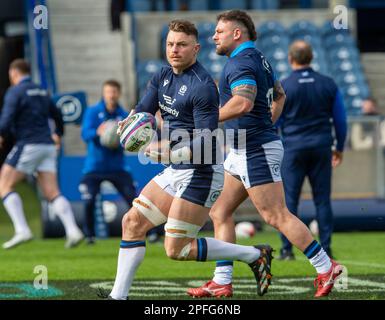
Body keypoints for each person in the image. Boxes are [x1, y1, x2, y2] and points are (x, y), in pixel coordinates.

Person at [104, 19, 273, 300]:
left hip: (202, 171)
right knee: (132, 222)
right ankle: (117, 297)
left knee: (177, 249)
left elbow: (206, 139)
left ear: (195, 48)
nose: (174, 50)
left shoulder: (203, 86)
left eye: (181, 45)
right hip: (176, 169)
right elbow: (143, 111)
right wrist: (127, 126)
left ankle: (254, 255)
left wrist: (170, 151)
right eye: (170, 44)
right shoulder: (161, 76)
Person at [187, 10, 343, 298]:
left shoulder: (242, 63)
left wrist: (207, 120)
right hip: (245, 147)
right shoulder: (259, 58)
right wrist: (267, 123)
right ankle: (222, 280)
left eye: (219, 32)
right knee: (220, 211)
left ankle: (325, 266)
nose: (213, 37)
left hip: (254, 148)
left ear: (237, 33)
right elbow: (280, 94)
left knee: (276, 215)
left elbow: (242, 104)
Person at [0, 59, 84, 249]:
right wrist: (58, 134)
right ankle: (73, 230)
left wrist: (2, 133)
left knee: (4, 184)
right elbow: (57, 115)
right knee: (52, 192)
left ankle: (22, 229)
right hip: (47, 146)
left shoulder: (15, 91)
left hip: (28, 143)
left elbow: (6, 118)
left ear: (14, 74)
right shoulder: (41, 91)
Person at [276, 40, 348, 260]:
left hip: (293, 149)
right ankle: (326, 247)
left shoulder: (284, 85)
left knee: (289, 201)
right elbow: (340, 119)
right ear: (312, 58)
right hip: (321, 147)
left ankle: (287, 250)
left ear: (290, 59)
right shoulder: (328, 83)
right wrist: (340, 147)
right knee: (322, 200)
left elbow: (274, 121)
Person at [80, 79, 137, 244]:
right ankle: (89, 235)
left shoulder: (124, 115)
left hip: (117, 166)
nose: (111, 95)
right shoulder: (92, 112)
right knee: (89, 200)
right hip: (94, 167)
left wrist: (120, 139)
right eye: (108, 92)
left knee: (133, 199)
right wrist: (98, 132)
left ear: (118, 94)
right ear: (103, 94)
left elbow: (130, 141)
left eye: (114, 92)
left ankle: (150, 233)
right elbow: (85, 134)